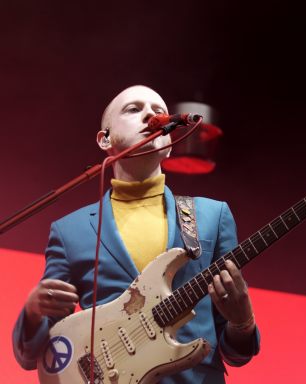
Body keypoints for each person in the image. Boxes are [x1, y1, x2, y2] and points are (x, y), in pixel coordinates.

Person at [12, 85, 260, 383]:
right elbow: (31, 356)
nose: (152, 117)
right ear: (104, 139)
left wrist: (243, 323)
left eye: (159, 112)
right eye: (134, 109)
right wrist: (33, 311)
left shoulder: (212, 216)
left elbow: (236, 352)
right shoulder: (68, 231)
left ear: (168, 142)